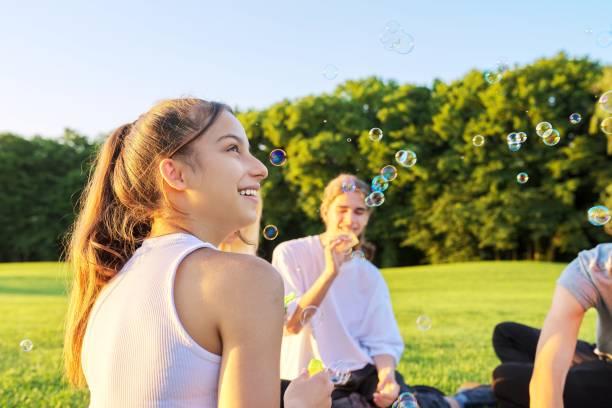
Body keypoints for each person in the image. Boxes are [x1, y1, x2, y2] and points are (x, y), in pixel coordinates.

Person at [63, 98, 333, 407]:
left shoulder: (112, 283)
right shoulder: (247, 279)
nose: (260, 169)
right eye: (233, 148)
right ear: (176, 174)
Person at [272, 174, 495, 408]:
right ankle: (454, 399)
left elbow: (382, 340)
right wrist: (330, 272)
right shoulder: (290, 253)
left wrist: (386, 376)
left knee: (401, 400)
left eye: (359, 212)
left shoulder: (369, 274)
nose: (350, 220)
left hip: (360, 373)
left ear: (368, 217)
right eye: (342, 209)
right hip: (310, 378)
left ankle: (460, 399)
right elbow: (291, 325)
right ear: (325, 210)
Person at [491, 243, 612, 407]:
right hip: (601, 355)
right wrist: (548, 384)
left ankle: (492, 393)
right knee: (506, 334)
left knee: (504, 377)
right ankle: (569, 382)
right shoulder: (591, 266)